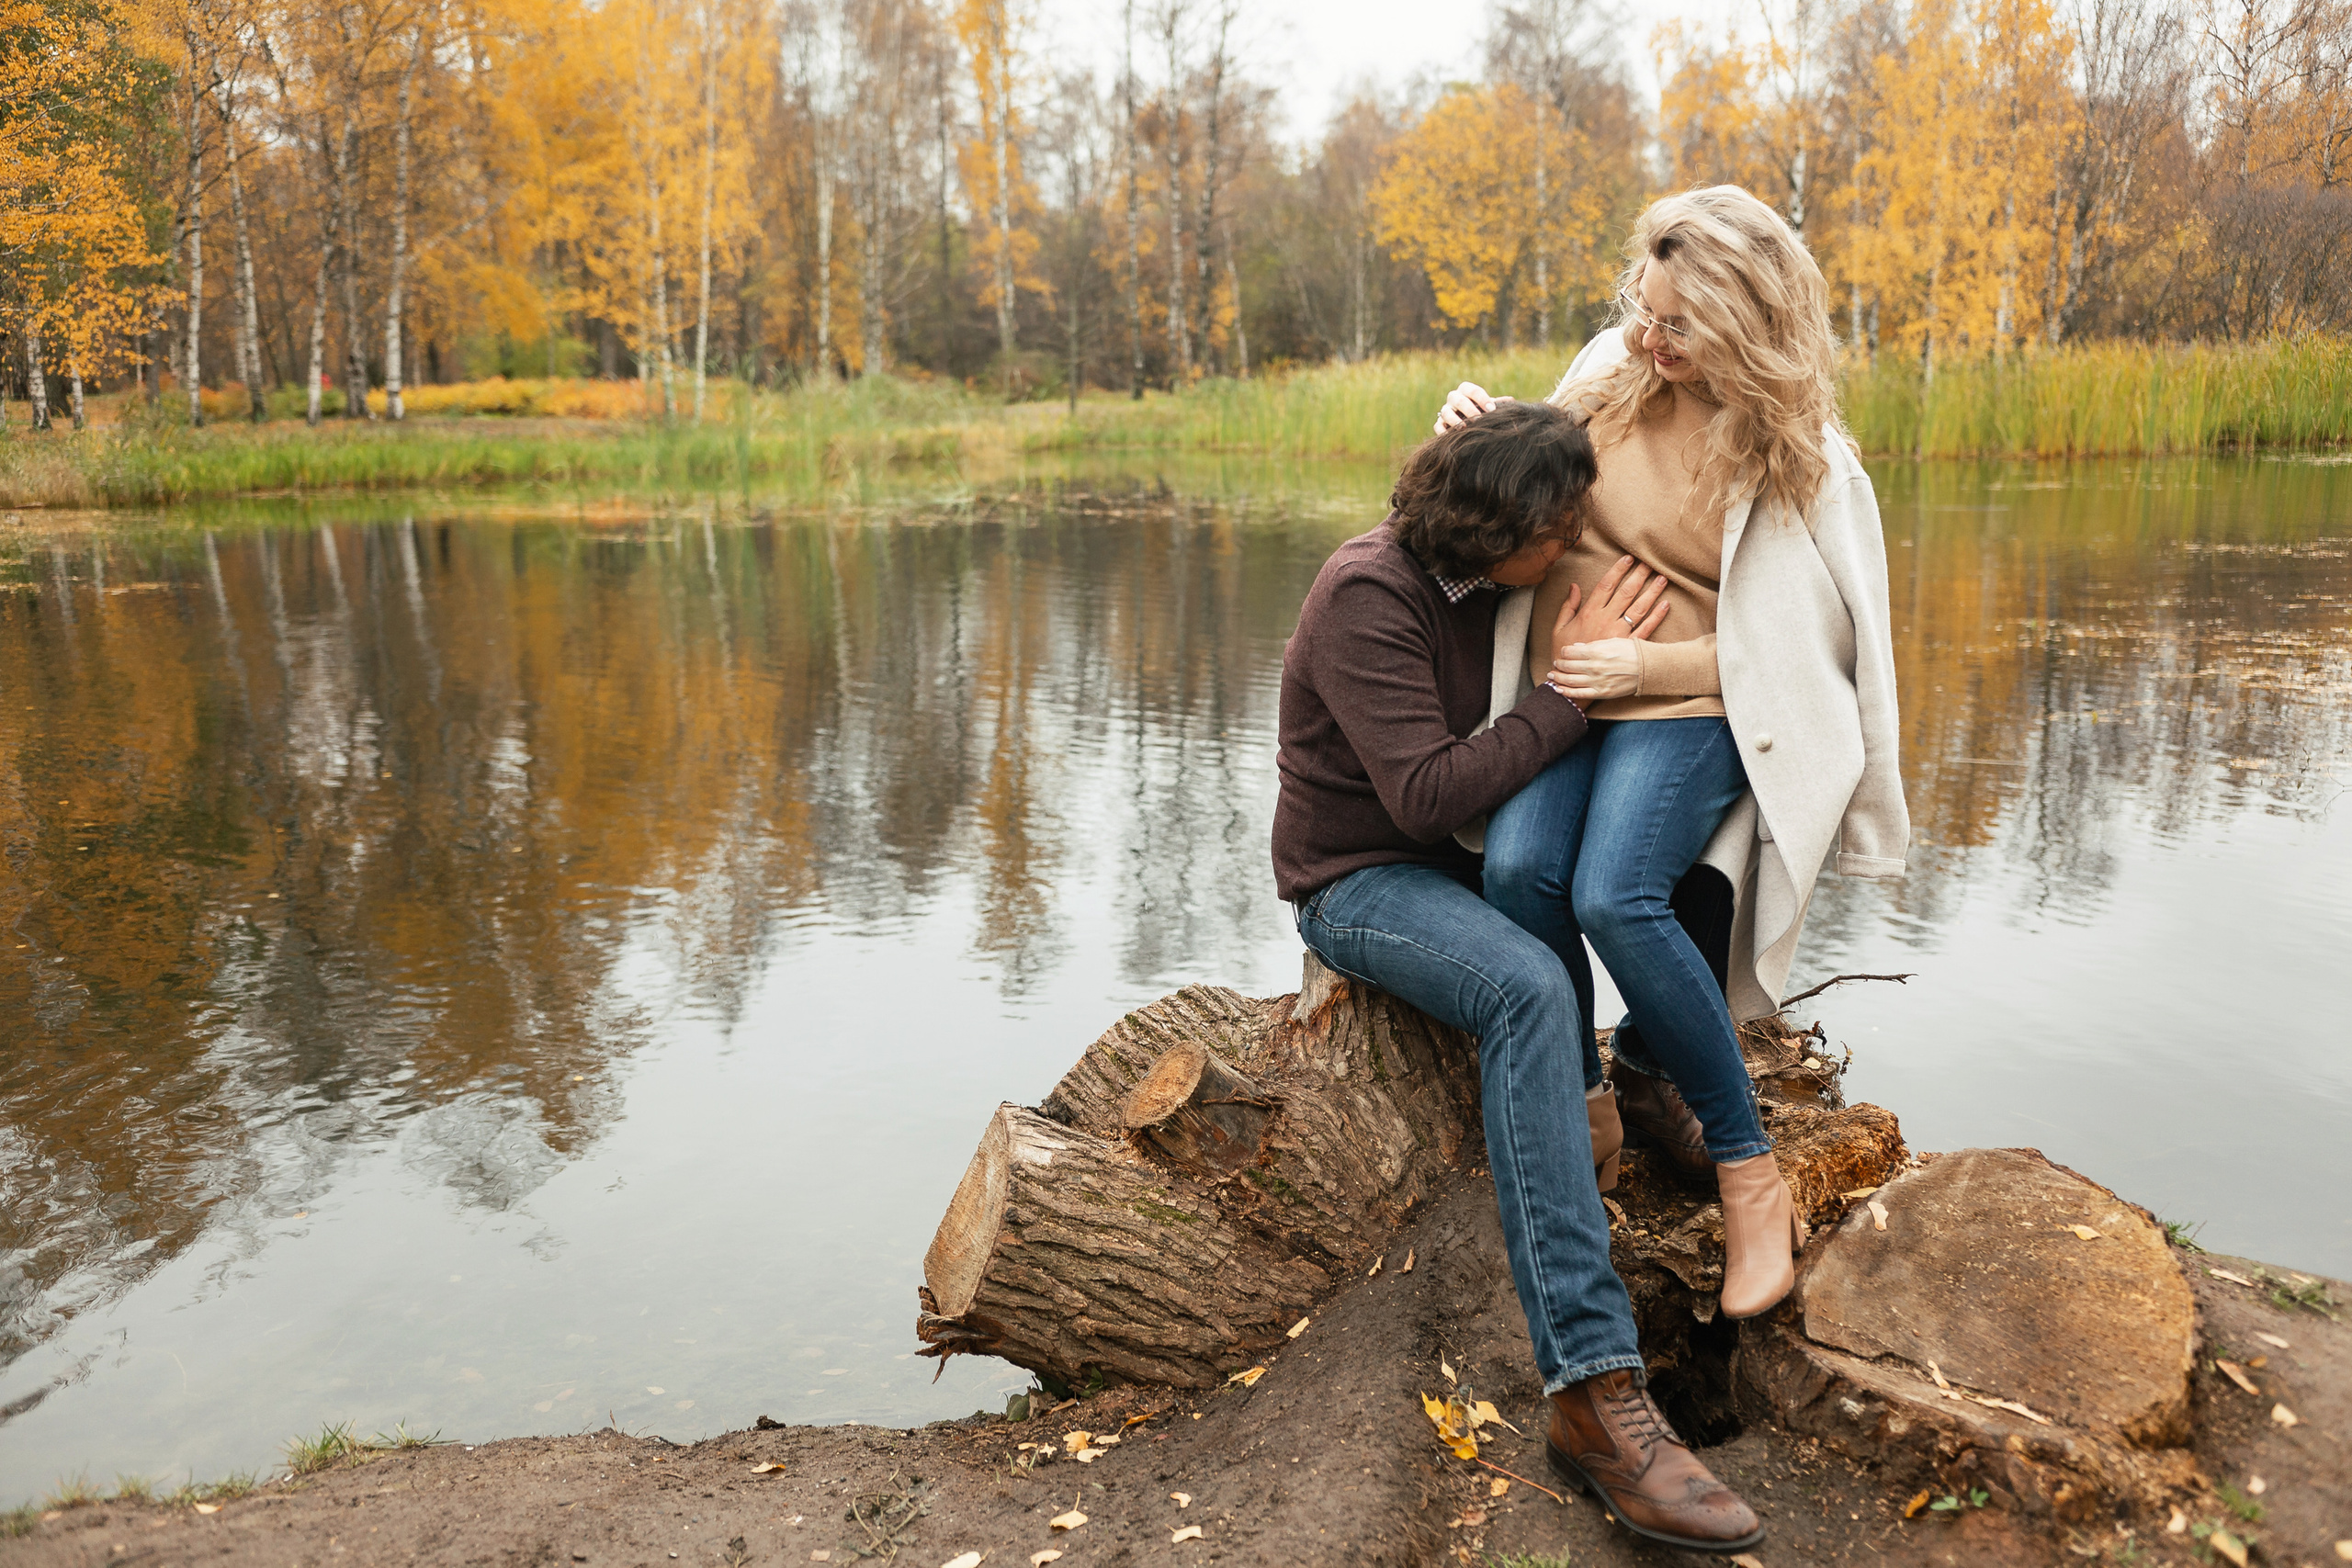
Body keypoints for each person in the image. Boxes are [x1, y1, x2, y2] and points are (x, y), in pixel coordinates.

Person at [1274, 397, 1767, 1554]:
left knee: (1650, 869)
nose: (1582, 541)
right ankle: (1594, 1392)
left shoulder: (1479, 573)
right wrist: (1564, 696)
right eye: (1565, 531)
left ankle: (1640, 1085)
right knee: (1528, 989)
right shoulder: (1368, 596)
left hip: (1455, 864)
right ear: (1501, 539)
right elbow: (1430, 798)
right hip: (1361, 883)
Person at [1432, 186, 1909, 1321]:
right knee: (1515, 872)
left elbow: (1807, 667)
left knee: (1614, 892)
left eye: (1678, 325)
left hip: (1689, 703)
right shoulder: (1607, 369)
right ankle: (1589, 1100)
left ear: (1746, 326)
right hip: (1561, 692)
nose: (1649, 338)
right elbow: (1518, 509)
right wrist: (1471, 438)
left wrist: (1646, 672)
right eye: (1643, 309)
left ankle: (1747, 1171)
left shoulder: (1804, 458)